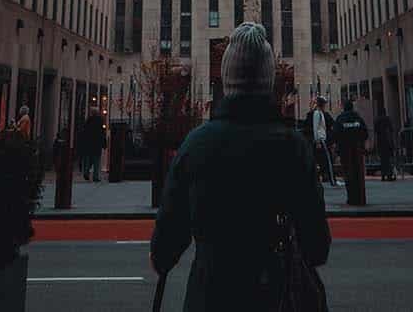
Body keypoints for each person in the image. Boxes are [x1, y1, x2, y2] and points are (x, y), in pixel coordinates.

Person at [151, 22, 330, 311]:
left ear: (226, 78)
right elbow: (318, 247)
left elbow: (163, 248)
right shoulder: (293, 147)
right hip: (276, 295)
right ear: (268, 79)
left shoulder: (197, 145)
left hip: (210, 297)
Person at [333, 98, 369, 202]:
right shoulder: (358, 118)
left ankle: (351, 197)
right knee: (359, 174)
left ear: (344, 107)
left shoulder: (340, 118)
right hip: (357, 150)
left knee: (349, 174)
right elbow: (365, 133)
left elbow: (335, 134)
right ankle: (361, 198)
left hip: (345, 150)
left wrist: (337, 147)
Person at [308, 96, 336, 186]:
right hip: (321, 139)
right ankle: (332, 179)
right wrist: (317, 140)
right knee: (327, 159)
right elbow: (316, 128)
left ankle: (330, 178)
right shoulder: (317, 113)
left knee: (323, 159)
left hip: (322, 138)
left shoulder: (320, 113)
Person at [79, 108, 106, 182]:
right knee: (96, 161)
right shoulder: (100, 122)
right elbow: (102, 134)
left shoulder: (88, 121)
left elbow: (84, 133)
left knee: (88, 160)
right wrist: (104, 143)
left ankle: (86, 173)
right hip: (97, 144)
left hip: (88, 144)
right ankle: (95, 176)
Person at [374, 111, 396, 181]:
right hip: (387, 142)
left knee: (383, 160)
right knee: (388, 159)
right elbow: (391, 130)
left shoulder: (377, 120)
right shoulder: (387, 119)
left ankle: (383, 176)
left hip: (380, 142)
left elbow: (376, 131)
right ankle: (389, 175)